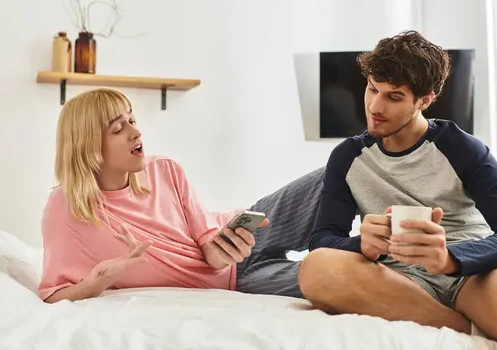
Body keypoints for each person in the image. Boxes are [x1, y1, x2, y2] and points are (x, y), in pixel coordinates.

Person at [297, 30, 497, 350]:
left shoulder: (462, 147)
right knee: (316, 269)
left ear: (425, 99)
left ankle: (472, 312)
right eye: (372, 89)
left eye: (394, 96)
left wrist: (450, 259)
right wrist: (365, 244)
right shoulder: (348, 157)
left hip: (470, 274)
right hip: (398, 281)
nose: (375, 106)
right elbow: (321, 240)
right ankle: (460, 325)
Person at [39, 87, 324, 303]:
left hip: (244, 233)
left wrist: (222, 248)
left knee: (345, 166)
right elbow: (53, 293)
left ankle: (368, 237)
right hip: (241, 281)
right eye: (118, 128)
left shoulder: (165, 169)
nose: (136, 132)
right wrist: (97, 281)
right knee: (341, 277)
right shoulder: (66, 208)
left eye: (132, 120)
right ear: (89, 146)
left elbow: (209, 245)